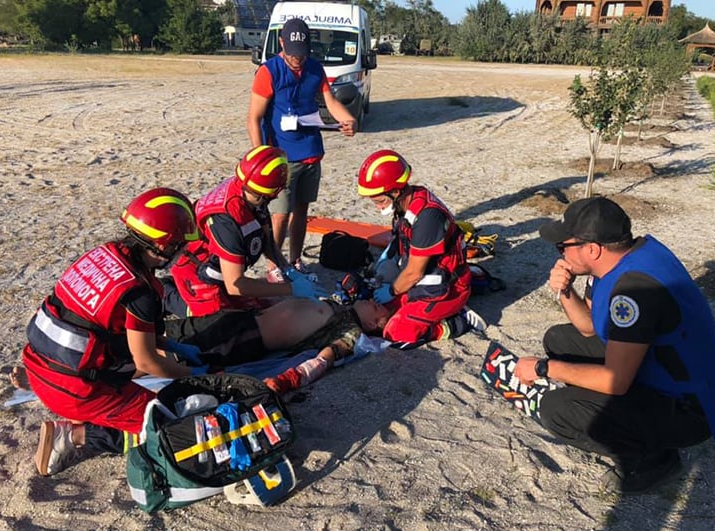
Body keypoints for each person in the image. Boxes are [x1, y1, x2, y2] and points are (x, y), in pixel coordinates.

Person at [512, 196, 715, 494]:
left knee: (556, 410)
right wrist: (565, 291)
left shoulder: (635, 291)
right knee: (558, 339)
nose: (560, 254)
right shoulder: (625, 257)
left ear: (592, 249)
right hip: (662, 369)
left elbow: (616, 382)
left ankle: (655, 460)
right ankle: (619, 416)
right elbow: (589, 327)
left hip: (690, 409)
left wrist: (544, 368)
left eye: (562, 247)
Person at [18, 188, 206, 477]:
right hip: (73, 391)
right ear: (164, 246)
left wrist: (178, 349)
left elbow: (101, 324)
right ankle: (74, 435)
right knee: (171, 423)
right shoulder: (140, 292)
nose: (183, 250)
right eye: (181, 244)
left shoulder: (105, 255)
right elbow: (147, 362)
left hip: (39, 367)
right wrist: (192, 378)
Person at [247, 17, 357, 282]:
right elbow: (254, 118)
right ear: (282, 44)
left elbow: (329, 101)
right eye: (294, 55)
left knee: (301, 212)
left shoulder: (315, 69)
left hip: (311, 152)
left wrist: (348, 119)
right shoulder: (269, 71)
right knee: (280, 216)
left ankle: (295, 260)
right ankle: (275, 264)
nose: (298, 60)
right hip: (282, 158)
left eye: (303, 54)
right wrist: (262, 156)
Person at [167, 145, 325, 319]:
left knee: (258, 308)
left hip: (222, 270)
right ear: (276, 191)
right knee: (221, 324)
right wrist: (291, 289)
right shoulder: (227, 220)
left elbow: (266, 240)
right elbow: (236, 285)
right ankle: (165, 295)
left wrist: (288, 270)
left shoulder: (251, 190)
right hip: (198, 273)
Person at [357, 149, 486, 348]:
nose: (378, 207)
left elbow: (414, 273)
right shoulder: (409, 202)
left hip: (444, 287)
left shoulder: (427, 218)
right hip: (428, 273)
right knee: (381, 298)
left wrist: (392, 290)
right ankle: (473, 278)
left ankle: (458, 320)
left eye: (380, 200)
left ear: (396, 191)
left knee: (397, 333)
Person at [164, 297, 393, 394]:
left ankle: (134, 370)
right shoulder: (340, 307)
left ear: (371, 323)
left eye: (376, 307)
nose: (372, 301)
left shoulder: (350, 331)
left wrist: (292, 378)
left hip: (249, 336)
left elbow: (327, 356)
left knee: (173, 352)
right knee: (169, 333)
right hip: (242, 319)